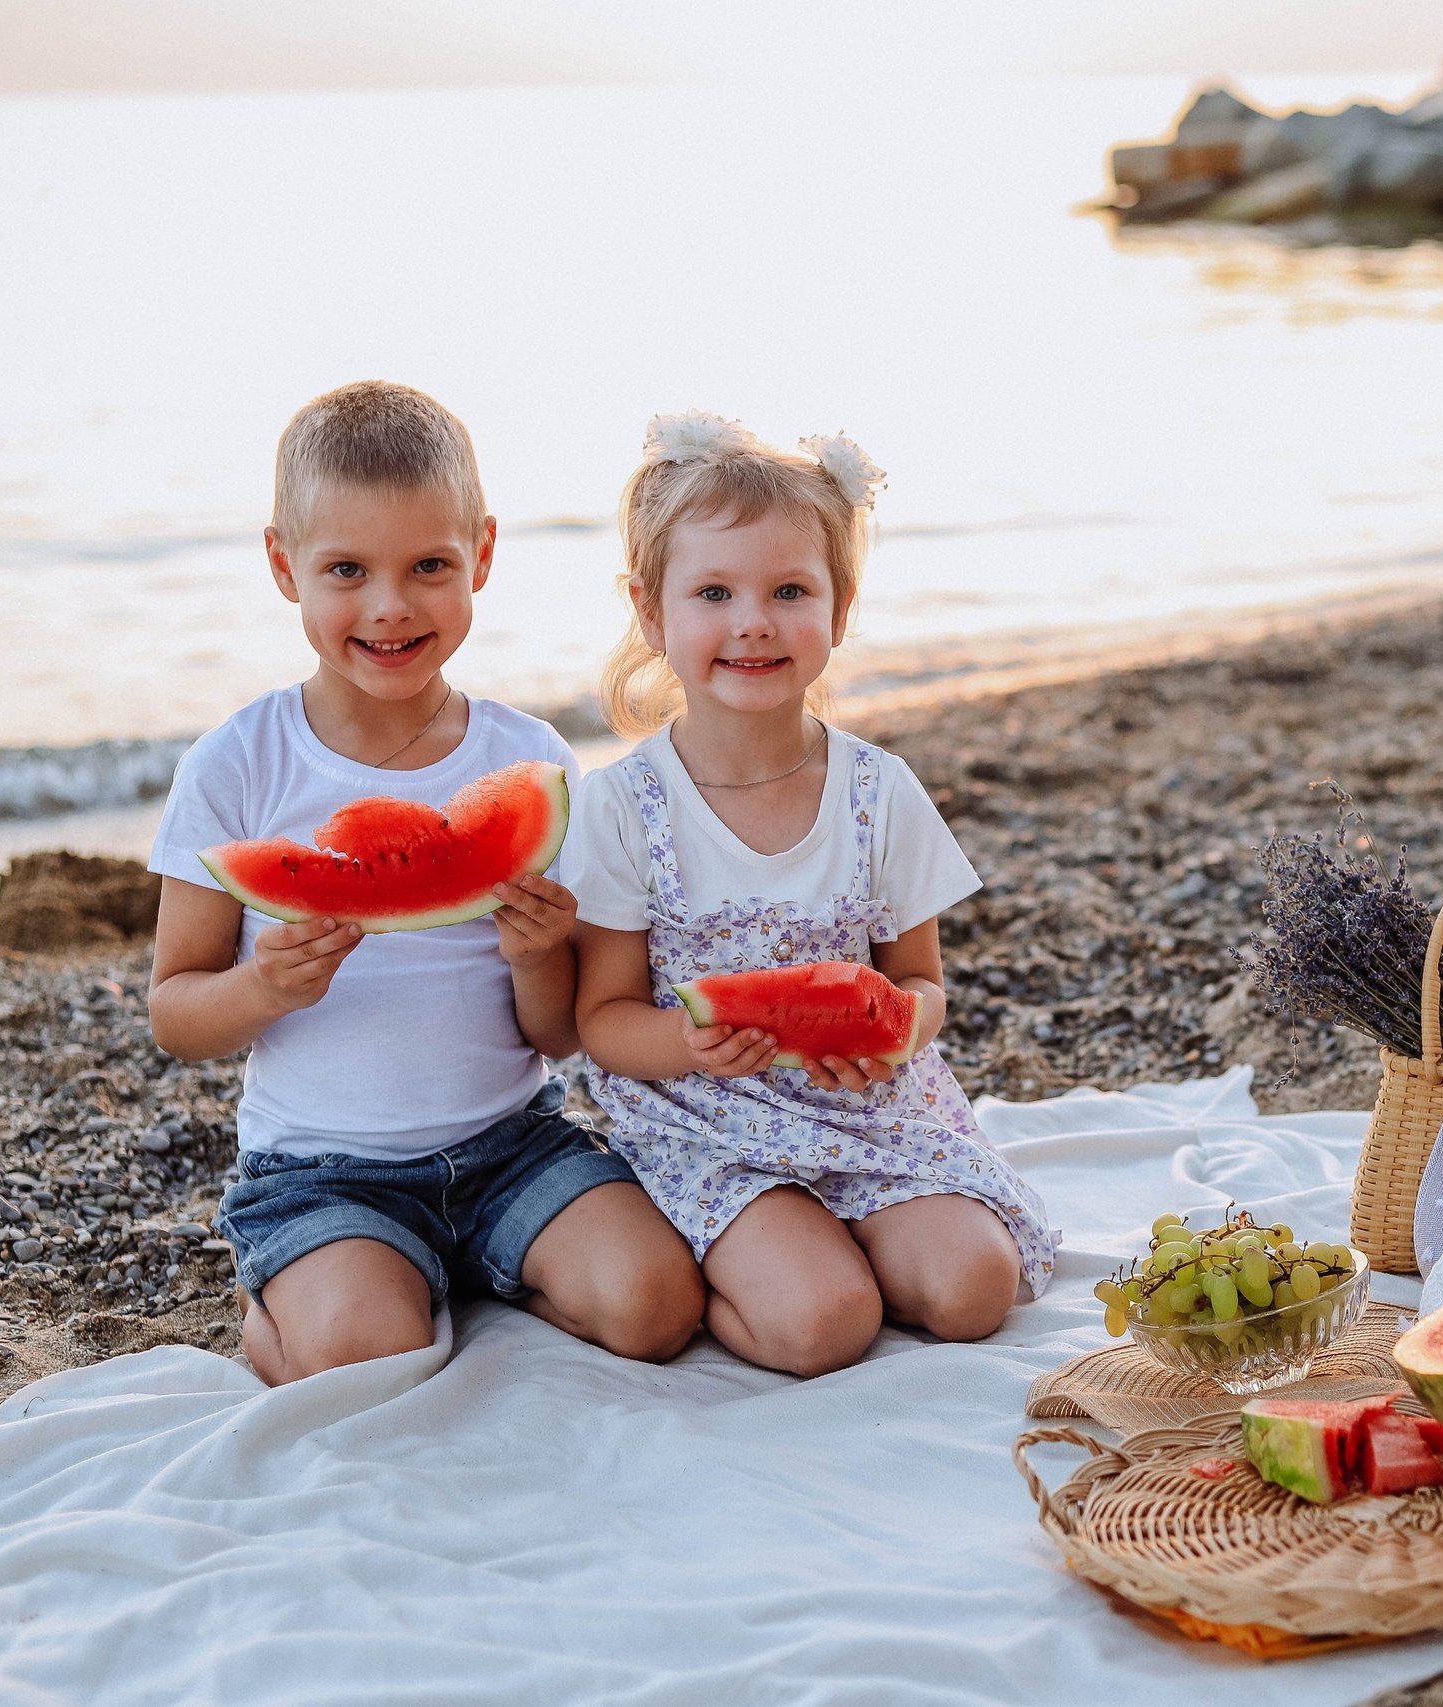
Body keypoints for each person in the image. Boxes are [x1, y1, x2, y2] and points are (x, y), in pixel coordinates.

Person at [146, 381, 704, 1384]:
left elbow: (557, 1033)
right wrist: (265, 987)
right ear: (284, 567)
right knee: (368, 1354)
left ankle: (468, 1269)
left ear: (482, 556)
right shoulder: (235, 765)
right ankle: (286, 1307)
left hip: (512, 1146)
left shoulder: (529, 760)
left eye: (429, 567)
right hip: (321, 1174)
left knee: (656, 1308)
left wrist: (539, 957)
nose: (390, 606)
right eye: (346, 570)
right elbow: (177, 1017)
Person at [563, 414, 1057, 1377]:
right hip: (707, 1114)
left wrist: (897, 1034)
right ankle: (734, 1280)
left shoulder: (880, 789)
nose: (753, 620)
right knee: (826, 1325)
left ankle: (846, 1239)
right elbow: (602, 1018)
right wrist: (691, 1043)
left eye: (790, 590)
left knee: (973, 1292)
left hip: (869, 1107)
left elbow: (920, 983)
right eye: (714, 592)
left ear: (839, 607)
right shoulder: (624, 804)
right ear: (652, 612)